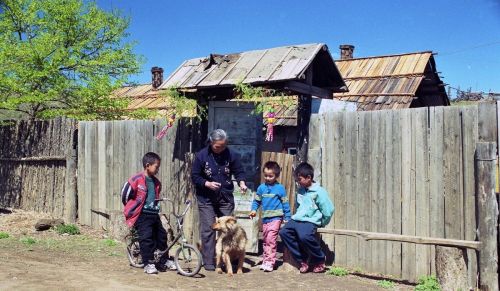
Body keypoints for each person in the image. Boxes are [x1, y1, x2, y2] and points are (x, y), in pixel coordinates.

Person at [191, 129, 248, 271]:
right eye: (217, 146)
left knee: (229, 229)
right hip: (206, 198)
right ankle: (209, 261)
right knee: (208, 229)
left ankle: (230, 258)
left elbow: (239, 171)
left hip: (225, 197)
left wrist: (241, 182)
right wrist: (207, 183)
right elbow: (195, 176)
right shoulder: (201, 156)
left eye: (223, 146)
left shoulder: (232, 155)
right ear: (211, 143)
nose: (220, 149)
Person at [121, 152, 176, 274]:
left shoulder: (156, 182)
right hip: (142, 215)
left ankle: (163, 260)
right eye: (156, 167)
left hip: (153, 214)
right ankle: (148, 263)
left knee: (162, 236)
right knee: (146, 238)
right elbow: (125, 195)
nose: (158, 169)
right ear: (147, 165)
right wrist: (131, 208)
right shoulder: (136, 180)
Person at [279, 162, 334, 273]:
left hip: (311, 220)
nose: (298, 182)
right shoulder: (301, 191)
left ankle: (319, 259)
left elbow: (328, 210)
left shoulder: (319, 192)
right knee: (284, 232)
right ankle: (301, 260)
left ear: (308, 177)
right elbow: (299, 207)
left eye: (300, 179)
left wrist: (322, 222)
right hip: (297, 219)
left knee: (304, 236)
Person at [249, 161, 291, 272]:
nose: (267, 178)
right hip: (265, 218)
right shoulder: (261, 188)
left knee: (271, 239)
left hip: (276, 218)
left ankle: (270, 262)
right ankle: (265, 260)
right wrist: (253, 210)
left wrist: (287, 216)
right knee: (265, 239)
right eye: (266, 175)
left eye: (270, 176)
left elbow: (285, 203)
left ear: (276, 176)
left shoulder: (280, 188)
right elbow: (256, 201)